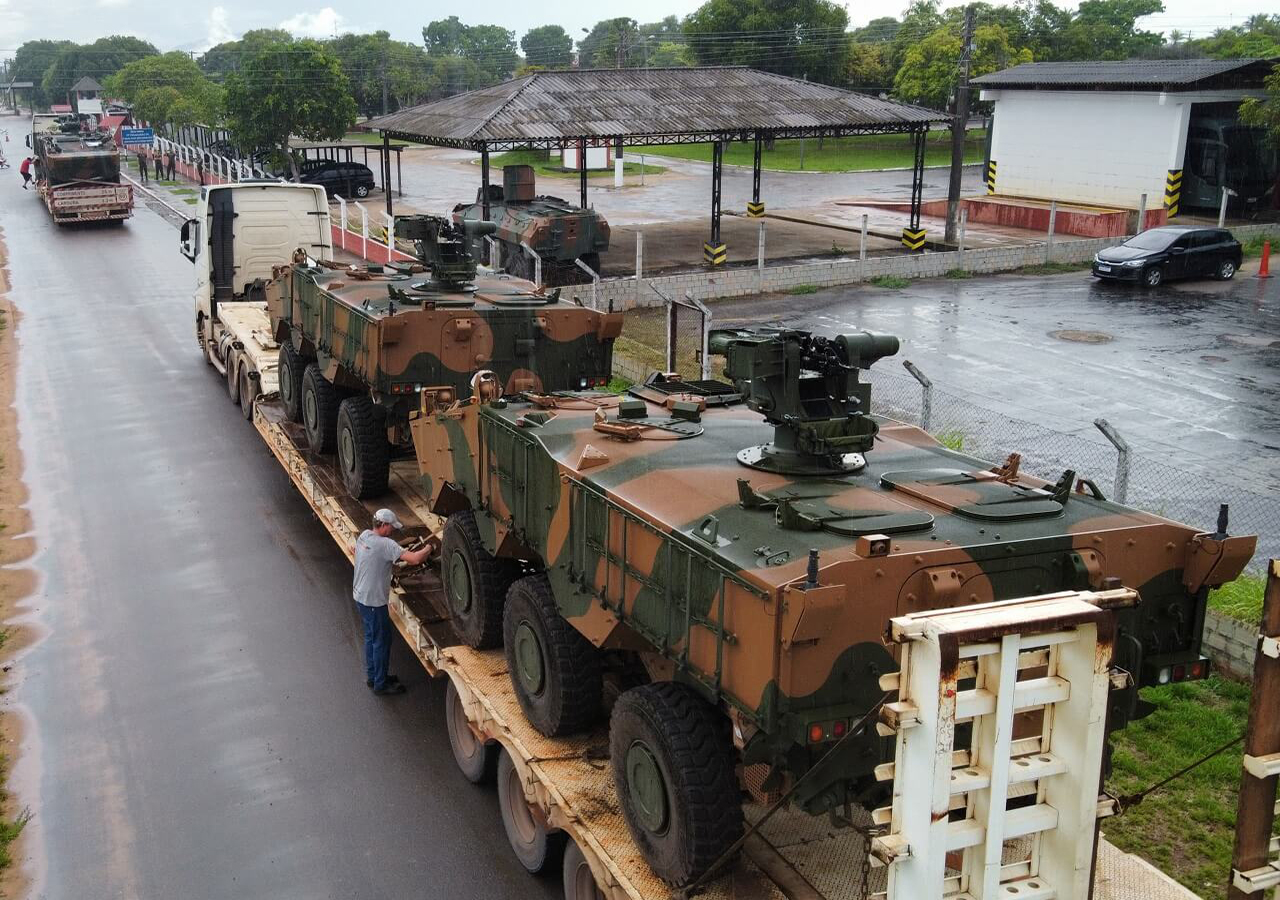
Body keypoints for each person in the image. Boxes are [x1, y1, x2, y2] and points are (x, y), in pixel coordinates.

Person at [353, 509, 433, 695]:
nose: (393, 531)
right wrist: (428, 548)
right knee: (381, 642)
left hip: (360, 597)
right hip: (374, 602)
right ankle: (381, 684)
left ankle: (373, 677)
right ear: (384, 525)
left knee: (372, 638)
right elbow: (414, 559)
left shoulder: (364, 536)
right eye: (392, 527)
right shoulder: (386, 545)